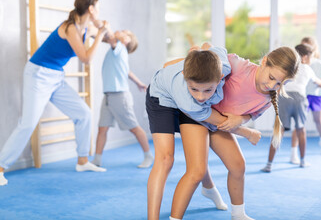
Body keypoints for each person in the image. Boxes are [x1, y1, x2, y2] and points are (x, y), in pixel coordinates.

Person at [0, 0, 108, 186]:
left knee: (84, 113)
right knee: (28, 123)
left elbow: (104, 36)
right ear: (91, 9)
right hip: (38, 74)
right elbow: (86, 58)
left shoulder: (86, 27)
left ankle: (82, 161)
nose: (99, 11)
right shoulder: (69, 27)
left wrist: (106, 32)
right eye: (98, 7)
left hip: (56, 77)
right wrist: (101, 32)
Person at [170, 46, 300, 220]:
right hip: (196, 115)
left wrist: (241, 119)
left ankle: (238, 214)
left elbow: (253, 113)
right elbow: (209, 57)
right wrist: (199, 50)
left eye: (279, 83)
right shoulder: (237, 66)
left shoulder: (269, 96)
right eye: (271, 78)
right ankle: (191, 203)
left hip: (219, 125)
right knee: (197, 170)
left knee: (238, 165)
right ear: (264, 61)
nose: (272, 85)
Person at [146, 43, 261, 220]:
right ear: (185, 77)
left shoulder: (223, 65)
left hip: (190, 99)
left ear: (221, 77)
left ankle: (208, 189)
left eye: (208, 90)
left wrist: (200, 49)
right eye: (195, 89)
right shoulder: (191, 101)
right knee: (165, 159)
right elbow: (219, 121)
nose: (201, 96)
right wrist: (248, 133)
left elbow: (212, 46)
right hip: (162, 98)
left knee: (199, 159)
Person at [91, 29, 154, 169]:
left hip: (119, 96)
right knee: (102, 128)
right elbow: (126, 71)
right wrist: (138, 83)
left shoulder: (119, 48)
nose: (120, 30)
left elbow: (111, 38)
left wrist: (100, 28)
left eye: (125, 32)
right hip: (108, 95)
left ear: (126, 41)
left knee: (134, 127)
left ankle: (148, 155)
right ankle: (97, 159)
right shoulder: (118, 53)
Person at [261, 44, 321, 173]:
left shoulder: (289, 67)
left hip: (284, 97)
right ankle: (302, 161)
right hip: (299, 98)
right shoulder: (307, 68)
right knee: (301, 129)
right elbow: (319, 82)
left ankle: (269, 164)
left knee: (279, 130)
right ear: (305, 57)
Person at [290, 37, 321, 159]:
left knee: (318, 120)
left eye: (308, 47)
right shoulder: (298, 65)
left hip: (316, 96)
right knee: (299, 124)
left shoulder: (319, 64)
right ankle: (294, 152)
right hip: (302, 96)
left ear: (313, 49)